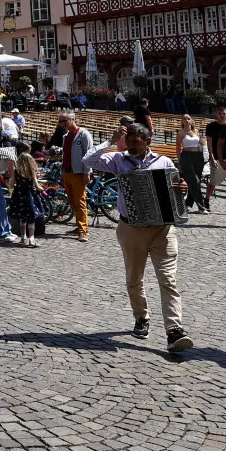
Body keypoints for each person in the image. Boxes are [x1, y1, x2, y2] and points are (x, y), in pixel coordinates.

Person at [83, 123, 193, 353]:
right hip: (131, 228)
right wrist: (111, 141)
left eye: (135, 140)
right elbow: (89, 160)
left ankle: (174, 331)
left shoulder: (163, 162)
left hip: (162, 229)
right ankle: (141, 317)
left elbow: (176, 192)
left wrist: (182, 189)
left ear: (147, 140)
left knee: (168, 280)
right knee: (135, 278)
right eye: (128, 140)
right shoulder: (118, 160)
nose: (130, 144)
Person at [56, 112, 94, 242]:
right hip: (67, 172)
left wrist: (86, 172)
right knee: (72, 202)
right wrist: (62, 172)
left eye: (64, 121)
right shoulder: (65, 136)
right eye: (60, 121)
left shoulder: (83, 134)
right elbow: (65, 156)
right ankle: (78, 226)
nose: (62, 124)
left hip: (78, 173)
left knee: (80, 202)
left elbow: (89, 154)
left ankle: (83, 231)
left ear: (72, 119)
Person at [8, 150, 45, 247]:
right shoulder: (31, 172)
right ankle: (31, 239)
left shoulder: (16, 172)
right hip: (30, 197)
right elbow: (37, 186)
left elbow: (11, 185)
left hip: (19, 196)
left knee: (22, 218)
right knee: (31, 218)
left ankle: (23, 237)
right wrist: (42, 189)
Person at [177, 115, 207, 214]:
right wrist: (179, 161)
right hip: (186, 156)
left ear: (191, 120)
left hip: (198, 156)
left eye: (188, 118)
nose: (186, 120)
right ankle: (201, 207)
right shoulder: (180, 133)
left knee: (196, 181)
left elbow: (202, 143)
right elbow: (178, 148)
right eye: (184, 119)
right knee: (194, 180)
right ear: (182, 121)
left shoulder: (196, 131)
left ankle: (188, 204)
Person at [204, 105, 226, 211]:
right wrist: (212, 157)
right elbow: (209, 143)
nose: (222, 115)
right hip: (217, 157)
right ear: (216, 114)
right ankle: (206, 200)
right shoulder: (211, 126)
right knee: (214, 182)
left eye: (224, 113)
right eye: (219, 113)